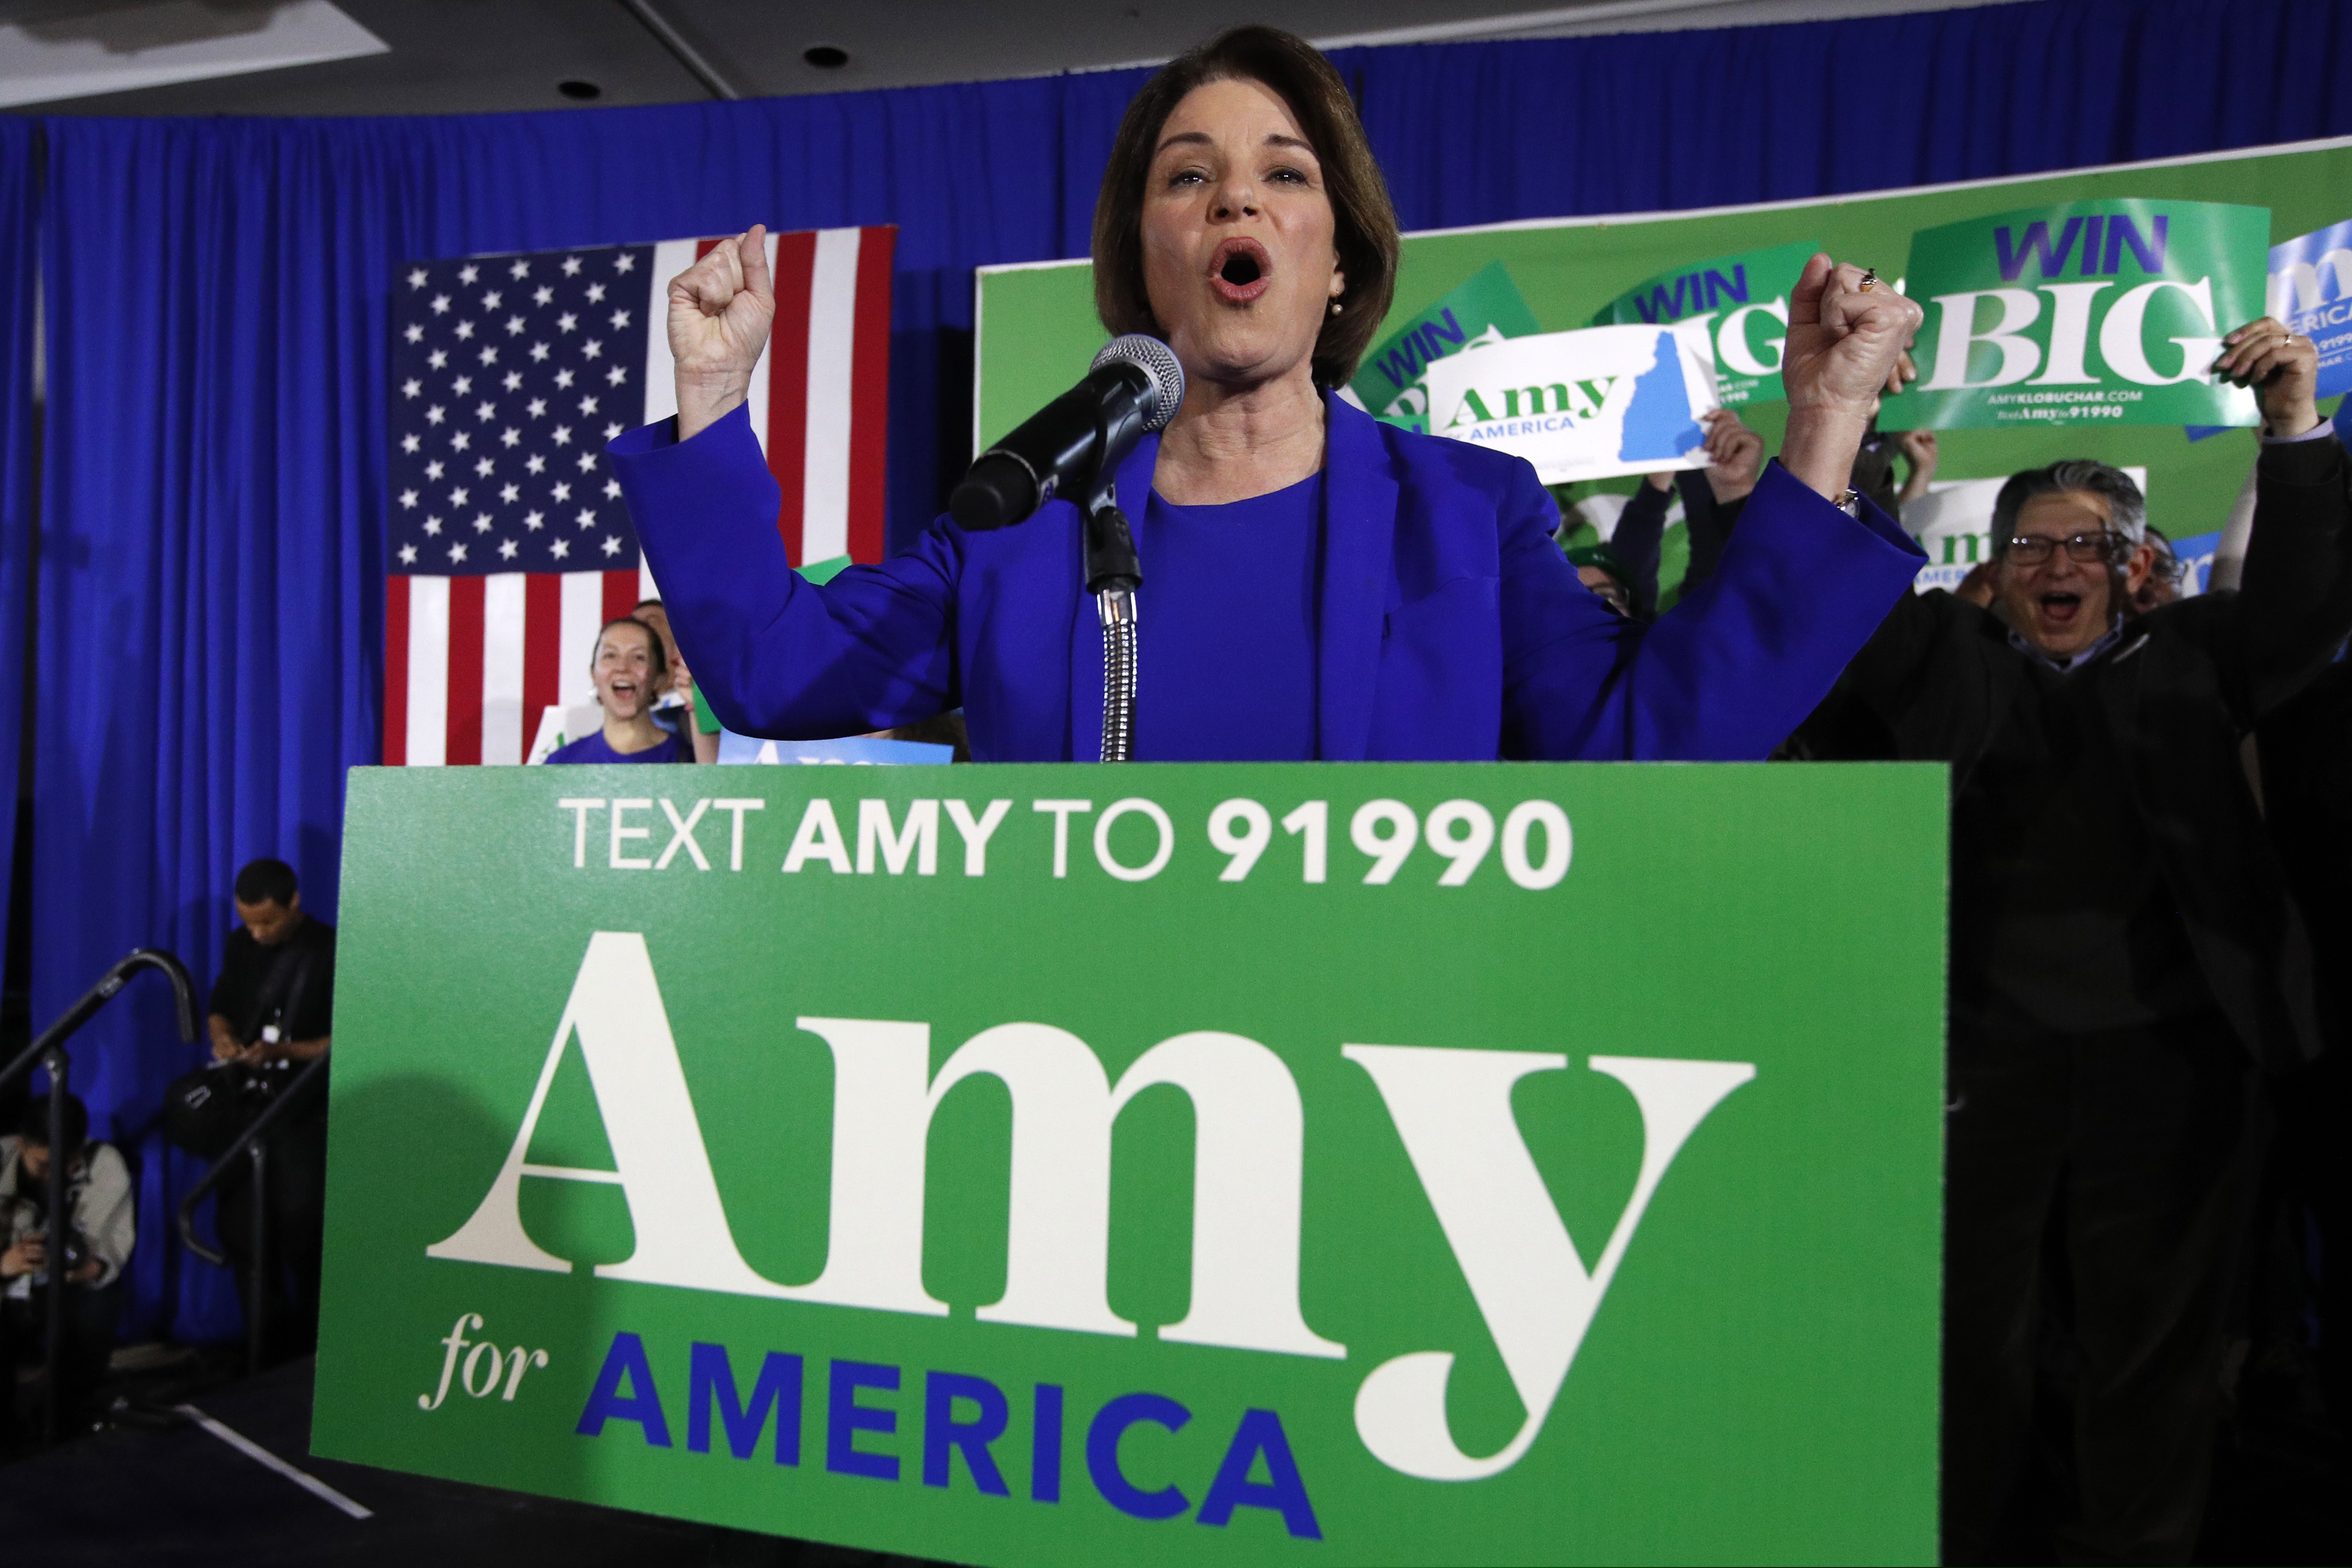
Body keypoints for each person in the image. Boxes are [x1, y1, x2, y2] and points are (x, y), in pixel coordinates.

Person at [610, 25, 1925, 763]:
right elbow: (772, 673)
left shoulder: (1466, 515)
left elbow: (1648, 742)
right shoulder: (1021, 530)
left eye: (1285, 174)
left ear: (1337, 257)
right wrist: (712, 388)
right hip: (1068, 1088)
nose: (1235, 197)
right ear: (1143, 253)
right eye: (1187, 176)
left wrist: (1825, 425)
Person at [1788, 320, 2347, 1563]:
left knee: (2150, 1353)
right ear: (1993, 571)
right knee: (1964, 1343)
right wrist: (1851, 429)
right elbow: (1840, 601)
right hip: (1974, 1065)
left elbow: (2304, 613)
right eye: (2030, 545)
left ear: (2133, 564)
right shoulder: (1948, 657)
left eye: (2084, 544)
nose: (2056, 564)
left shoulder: (2198, 658)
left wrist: (2291, 425)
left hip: (2173, 1066)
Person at [206, 857, 334, 1361]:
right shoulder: (240, 945)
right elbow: (220, 1002)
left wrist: (284, 1052)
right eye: (248, 923)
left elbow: (350, 1037)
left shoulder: (329, 949)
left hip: (305, 1112)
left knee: (303, 1229)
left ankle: (310, 1351)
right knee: (244, 1232)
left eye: (267, 922)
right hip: (249, 1110)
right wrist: (223, 1037)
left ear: (294, 902)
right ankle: (263, 1351)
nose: (257, 934)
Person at [0, 1093, 133, 1435]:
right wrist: (6, 1264)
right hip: (7, 1286)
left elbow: (112, 1250)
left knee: (101, 1303)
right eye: (43, 1165)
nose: (52, 1175)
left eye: (65, 1165)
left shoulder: (104, 1164)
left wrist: (91, 1268)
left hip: (63, 1286)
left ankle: (64, 1414)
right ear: (21, 1145)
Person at [543, 617, 687, 765]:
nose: (623, 667)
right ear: (594, 675)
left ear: (659, 678)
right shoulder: (561, 764)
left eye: (639, 657)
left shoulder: (687, 759)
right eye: (610, 656)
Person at [631, 598, 720, 763]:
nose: (637, 629)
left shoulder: (714, 706)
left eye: (651, 622)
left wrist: (697, 705)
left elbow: (714, 768)